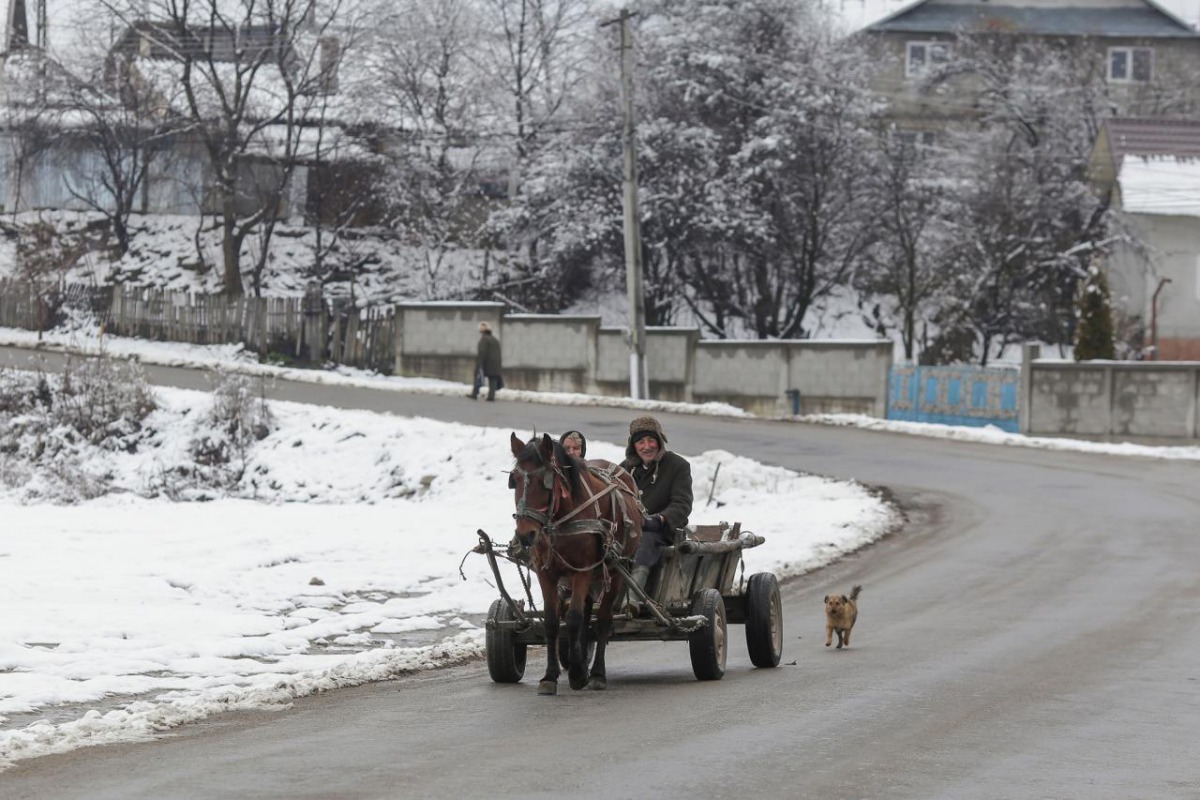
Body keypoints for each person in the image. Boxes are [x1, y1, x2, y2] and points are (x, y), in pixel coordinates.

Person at [620, 416, 692, 599]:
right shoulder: (624, 470)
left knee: (646, 539)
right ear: (633, 446)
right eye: (641, 442)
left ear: (660, 442)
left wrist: (661, 519)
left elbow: (682, 503)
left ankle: (634, 596)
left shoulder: (678, 466)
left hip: (663, 532)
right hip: (629, 530)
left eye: (651, 440)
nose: (647, 446)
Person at [469, 321, 503, 401]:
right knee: (493, 379)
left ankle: (474, 394)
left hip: (486, 363)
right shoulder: (495, 339)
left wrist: (479, 364)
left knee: (478, 376)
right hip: (495, 364)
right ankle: (491, 396)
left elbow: (482, 352)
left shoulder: (484, 339)